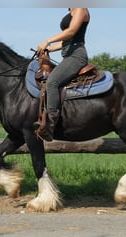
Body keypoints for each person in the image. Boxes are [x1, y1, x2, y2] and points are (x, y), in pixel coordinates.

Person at [34, 8, 90, 141]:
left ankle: (50, 124)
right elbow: (66, 41)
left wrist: (47, 41)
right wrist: (49, 48)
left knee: (52, 81)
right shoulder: (72, 10)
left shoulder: (81, 8)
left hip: (77, 56)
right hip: (68, 55)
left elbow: (71, 32)